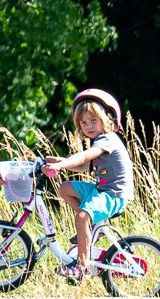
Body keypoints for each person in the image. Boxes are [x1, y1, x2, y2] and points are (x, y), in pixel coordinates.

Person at [40, 88, 134, 284]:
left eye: (93, 120)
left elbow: (84, 156)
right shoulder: (99, 141)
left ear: (107, 120)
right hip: (102, 190)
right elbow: (84, 165)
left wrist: (60, 165)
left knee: (81, 216)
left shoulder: (107, 139)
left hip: (115, 195)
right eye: (83, 123)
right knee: (64, 188)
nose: (88, 126)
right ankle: (91, 227)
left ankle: (81, 267)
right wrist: (60, 160)